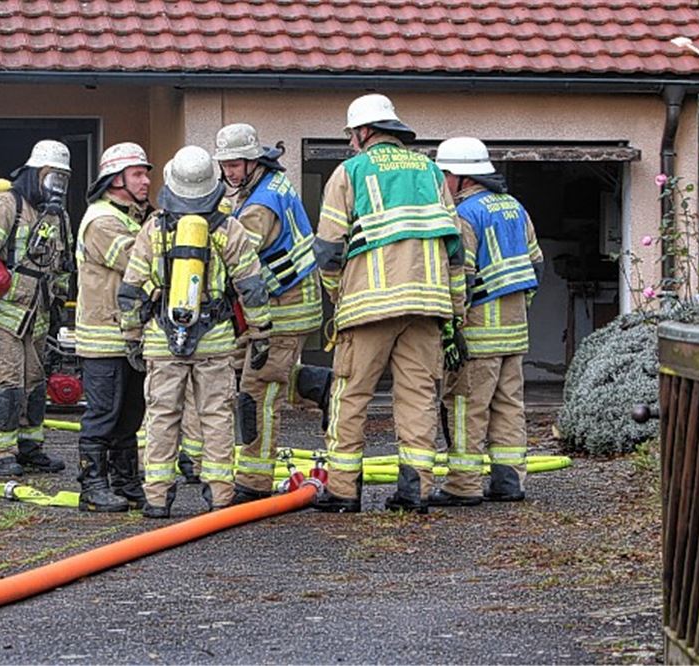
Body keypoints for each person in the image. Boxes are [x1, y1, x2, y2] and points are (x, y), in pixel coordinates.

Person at [311, 94, 466, 513]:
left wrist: (338, 296)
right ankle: (416, 491)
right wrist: (455, 310)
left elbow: (328, 249)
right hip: (428, 307)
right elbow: (455, 248)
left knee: (350, 395)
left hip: (368, 308)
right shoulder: (431, 172)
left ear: (364, 131)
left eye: (351, 135)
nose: (350, 142)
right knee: (418, 397)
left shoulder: (350, 172)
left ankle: (343, 490)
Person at [118, 145, 272, 518]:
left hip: (162, 339)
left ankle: (157, 497)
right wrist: (261, 331)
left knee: (162, 415)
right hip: (215, 340)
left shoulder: (154, 228)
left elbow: (131, 289)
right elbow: (252, 287)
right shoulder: (228, 228)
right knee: (216, 415)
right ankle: (220, 495)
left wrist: (132, 335)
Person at [212, 123, 333, 504]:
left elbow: (235, 258)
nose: (229, 173)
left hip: (283, 309)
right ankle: (319, 386)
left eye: (235, 165)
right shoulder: (267, 186)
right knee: (252, 373)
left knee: (258, 392)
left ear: (253, 161)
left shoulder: (259, 208)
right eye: (225, 165)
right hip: (282, 304)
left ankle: (254, 481)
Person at [432, 136, 543, 505]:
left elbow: (460, 278)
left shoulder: (465, 215)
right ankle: (509, 482)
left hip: (478, 333)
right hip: (515, 331)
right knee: (509, 406)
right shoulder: (515, 207)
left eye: (445, 175)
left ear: (463, 177)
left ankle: (462, 486)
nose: (442, 183)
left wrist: (452, 326)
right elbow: (536, 266)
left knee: (466, 407)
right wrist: (520, 309)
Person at [0, 140, 73, 476]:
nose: (57, 185)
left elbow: (63, 263)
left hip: (37, 316)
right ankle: (1, 453)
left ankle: (30, 447)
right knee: (7, 385)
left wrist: (59, 305)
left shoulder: (57, 216)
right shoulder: (5, 205)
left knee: (35, 384)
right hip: (2, 316)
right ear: (36, 173)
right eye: (53, 176)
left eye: (63, 178)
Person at [74, 142, 154, 511]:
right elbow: (137, 263)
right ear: (115, 179)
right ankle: (92, 487)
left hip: (130, 335)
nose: (146, 181)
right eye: (137, 174)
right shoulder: (101, 221)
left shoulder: (133, 217)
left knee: (129, 415)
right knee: (103, 414)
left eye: (146, 173)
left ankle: (125, 482)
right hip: (104, 338)